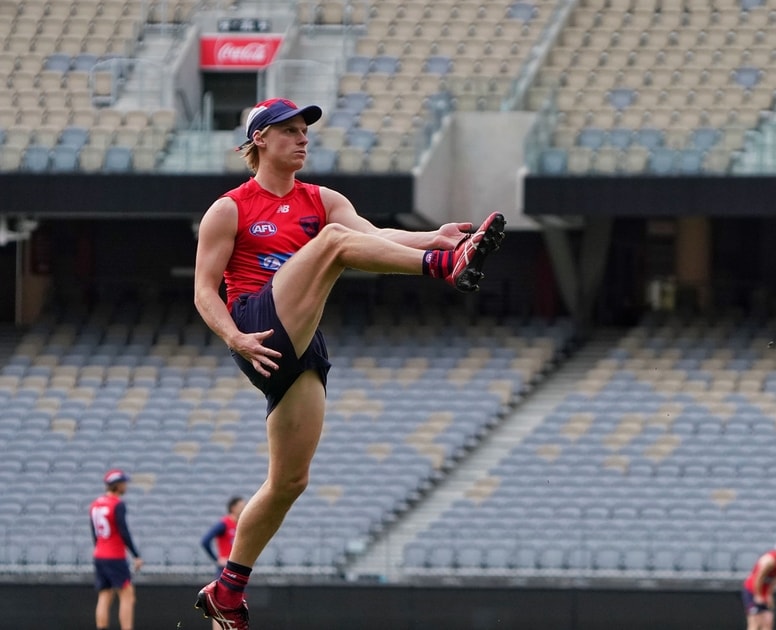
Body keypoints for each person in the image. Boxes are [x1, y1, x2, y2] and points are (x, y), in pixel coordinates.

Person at [191, 98, 506, 630]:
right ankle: (446, 270)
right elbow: (203, 291)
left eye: (304, 130)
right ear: (259, 140)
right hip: (256, 325)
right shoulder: (230, 208)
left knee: (290, 481)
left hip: (303, 340)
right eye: (288, 130)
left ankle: (227, 591)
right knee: (334, 243)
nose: (302, 138)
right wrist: (235, 338)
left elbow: (372, 238)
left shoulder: (322, 199)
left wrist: (433, 235)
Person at [89, 469, 144, 630]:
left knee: (104, 595)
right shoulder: (117, 504)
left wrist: (100, 549)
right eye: (123, 483)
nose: (125, 486)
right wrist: (136, 555)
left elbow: (94, 534)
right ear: (117, 485)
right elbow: (123, 531)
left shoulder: (95, 504)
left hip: (99, 554)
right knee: (127, 595)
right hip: (114, 556)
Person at [200, 496, 245, 628]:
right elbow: (205, 541)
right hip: (224, 571)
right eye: (241, 505)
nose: (244, 508)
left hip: (237, 571)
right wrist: (217, 559)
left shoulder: (241, 524)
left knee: (235, 607)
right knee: (220, 607)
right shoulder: (224, 523)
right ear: (233, 508)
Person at [741, 537, 776, 630]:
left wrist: (768, 594)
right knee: (755, 623)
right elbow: (758, 578)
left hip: (764, 591)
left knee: (768, 622)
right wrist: (758, 595)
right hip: (752, 590)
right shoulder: (768, 561)